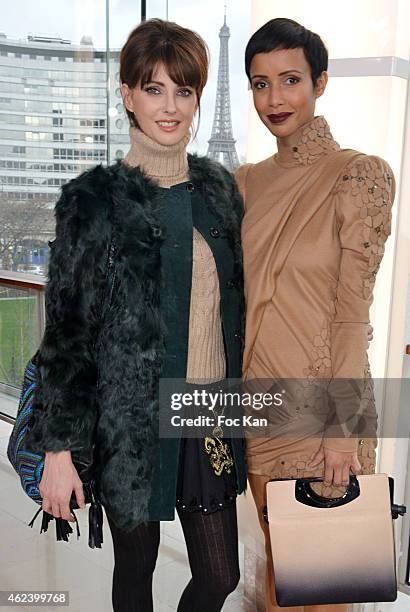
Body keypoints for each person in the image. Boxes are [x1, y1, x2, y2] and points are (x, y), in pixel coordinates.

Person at [26, 19, 247, 612]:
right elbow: (67, 335)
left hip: (207, 412)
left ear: (199, 97)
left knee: (220, 576)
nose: (170, 107)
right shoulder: (93, 201)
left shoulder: (219, 190)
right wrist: (58, 450)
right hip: (130, 423)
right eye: (154, 89)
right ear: (127, 95)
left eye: (184, 90)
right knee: (134, 576)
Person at [235, 18, 395, 612]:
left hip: (325, 419)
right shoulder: (245, 184)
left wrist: (341, 430)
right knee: (276, 581)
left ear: (320, 82)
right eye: (260, 83)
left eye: (290, 79)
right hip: (256, 413)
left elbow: (354, 316)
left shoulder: (359, 175)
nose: (274, 99)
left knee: (320, 589)